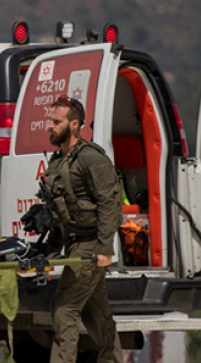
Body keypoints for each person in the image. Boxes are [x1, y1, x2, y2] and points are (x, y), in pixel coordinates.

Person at [44, 95, 123, 363]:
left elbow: (109, 203)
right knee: (96, 312)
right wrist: (51, 248)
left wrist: (104, 248)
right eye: (50, 121)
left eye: (57, 121)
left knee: (64, 309)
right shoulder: (57, 162)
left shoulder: (91, 158)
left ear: (75, 124)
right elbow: (58, 210)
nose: (50, 126)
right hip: (74, 245)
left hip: (89, 246)